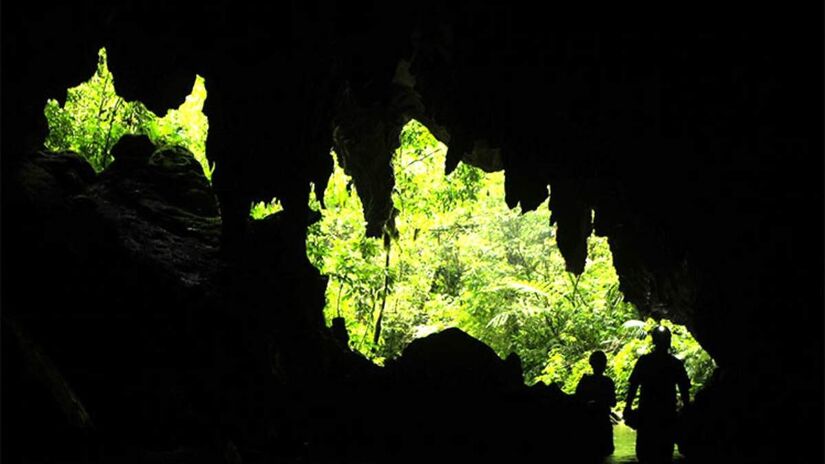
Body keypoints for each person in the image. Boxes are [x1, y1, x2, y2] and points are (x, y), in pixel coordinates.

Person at [624, 326, 691, 463]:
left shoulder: (644, 361)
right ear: (669, 342)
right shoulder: (675, 364)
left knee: (645, 454)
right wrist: (687, 411)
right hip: (667, 416)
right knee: (665, 454)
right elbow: (684, 391)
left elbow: (634, 386)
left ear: (654, 341)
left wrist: (628, 406)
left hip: (647, 416)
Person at [575, 350, 617, 457]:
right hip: (603, 424)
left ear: (591, 364)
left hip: (588, 426)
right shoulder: (608, 382)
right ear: (605, 364)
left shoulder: (585, 381)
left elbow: (576, 400)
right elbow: (613, 403)